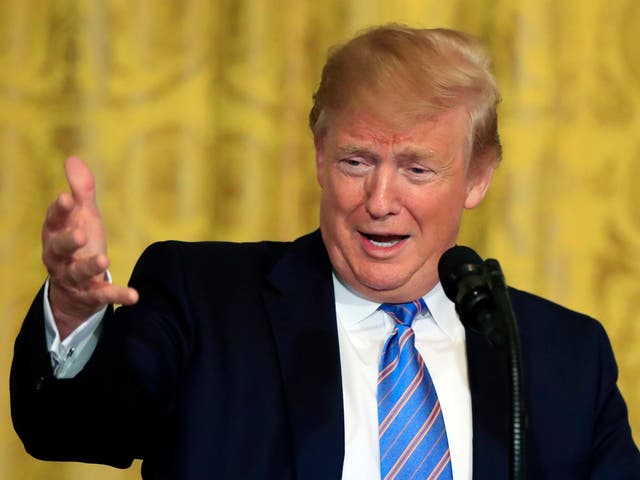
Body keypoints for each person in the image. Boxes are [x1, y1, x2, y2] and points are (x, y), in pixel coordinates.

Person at [10, 24, 640, 480]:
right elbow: (67, 428)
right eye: (355, 161)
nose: (380, 199)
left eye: (418, 169)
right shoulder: (205, 300)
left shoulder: (564, 359)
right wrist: (71, 310)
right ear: (318, 154)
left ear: (477, 178)